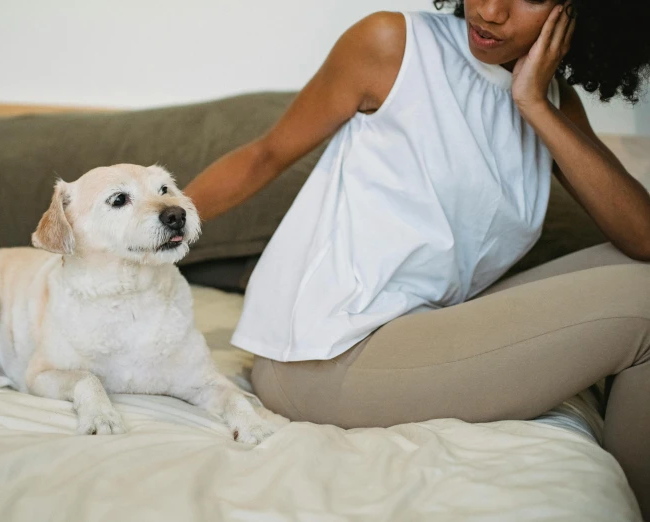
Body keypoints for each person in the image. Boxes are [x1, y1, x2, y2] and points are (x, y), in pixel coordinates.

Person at [183, 0, 650, 515]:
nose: (491, 10)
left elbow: (643, 239)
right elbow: (262, 156)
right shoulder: (393, 45)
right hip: (327, 354)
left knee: (635, 272)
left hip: (422, 330)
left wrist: (534, 104)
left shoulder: (551, 104)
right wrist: (131, 241)